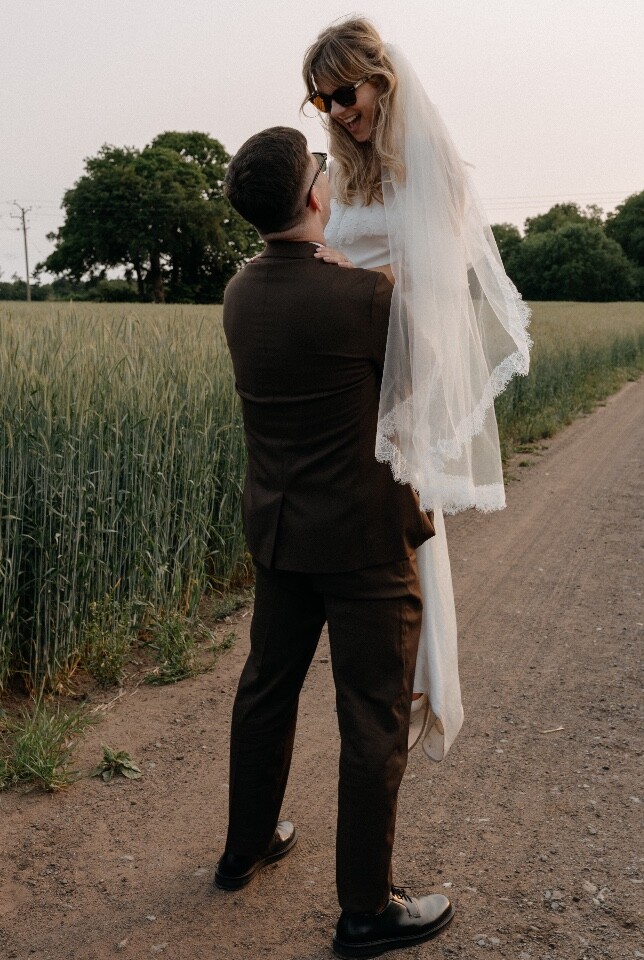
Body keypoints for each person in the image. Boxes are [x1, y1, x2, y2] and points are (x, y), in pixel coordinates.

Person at [214, 126, 455, 958]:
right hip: (362, 544)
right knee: (372, 718)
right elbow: (430, 385)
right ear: (316, 197)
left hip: (281, 534)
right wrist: (378, 283)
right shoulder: (365, 298)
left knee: (265, 689)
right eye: (321, 171)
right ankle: (364, 911)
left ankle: (244, 848)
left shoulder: (238, 293)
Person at [301, 17, 532, 760]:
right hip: (341, 373)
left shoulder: (432, 162)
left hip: (404, 369)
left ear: (381, 79)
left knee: (403, 530)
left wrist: (359, 279)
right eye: (322, 102)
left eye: (344, 93)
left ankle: (413, 692)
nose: (337, 113)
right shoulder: (341, 172)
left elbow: (435, 286)